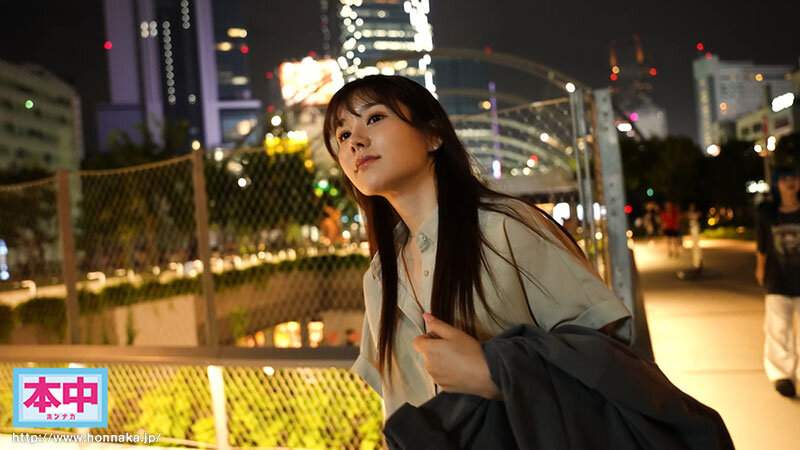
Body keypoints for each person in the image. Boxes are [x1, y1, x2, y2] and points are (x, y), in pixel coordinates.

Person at [322, 75, 632, 421]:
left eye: (375, 117)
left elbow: (606, 352)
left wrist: (494, 373)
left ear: (433, 135)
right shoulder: (379, 278)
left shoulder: (505, 228)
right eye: (343, 135)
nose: (355, 141)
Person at [755, 166, 800, 398]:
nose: (790, 182)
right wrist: (760, 268)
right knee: (778, 328)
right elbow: (762, 245)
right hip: (777, 278)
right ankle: (782, 375)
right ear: (777, 184)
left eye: (794, 177)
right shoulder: (767, 213)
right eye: (784, 179)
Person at [686, 202, 704, 270]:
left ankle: (697, 262)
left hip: (695, 228)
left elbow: (697, 217)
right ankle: (695, 262)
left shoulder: (696, 213)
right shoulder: (689, 213)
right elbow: (689, 218)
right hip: (692, 228)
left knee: (696, 246)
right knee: (694, 246)